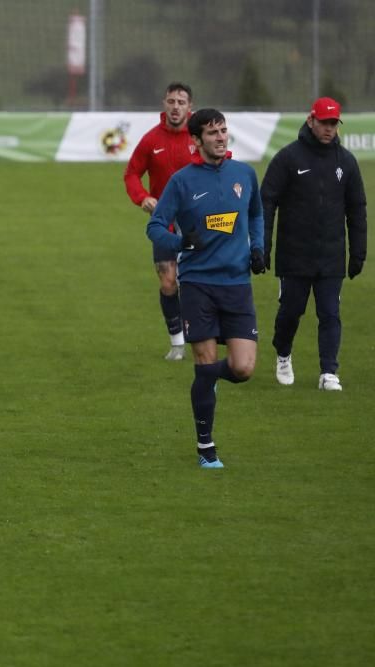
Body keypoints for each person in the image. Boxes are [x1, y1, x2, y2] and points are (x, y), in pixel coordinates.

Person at [146, 108, 266, 468]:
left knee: (243, 369)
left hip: (237, 285)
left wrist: (258, 247)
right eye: (212, 133)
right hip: (198, 285)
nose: (220, 137)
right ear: (196, 141)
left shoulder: (244, 174)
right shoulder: (182, 182)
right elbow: (155, 227)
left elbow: (257, 213)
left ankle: (205, 379)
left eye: (223, 131)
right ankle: (205, 448)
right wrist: (181, 242)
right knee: (205, 359)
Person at [261, 97, 367, 391]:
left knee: (330, 313)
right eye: (324, 122)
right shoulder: (288, 158)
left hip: (331, 255)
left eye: (334, 123)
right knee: (291, 312)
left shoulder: (346, 162)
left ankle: (328, 372)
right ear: (311, 121)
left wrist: (358, 252)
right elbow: (266, 202)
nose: (329, 128)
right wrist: (263, 246)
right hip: (294, 256)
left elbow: (357, 208)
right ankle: (283, 353)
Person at [124, 82, 197, 361]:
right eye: (171, 101)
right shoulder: (151, 140)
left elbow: (221, 165)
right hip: (164, 224)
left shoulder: (199, 136)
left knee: (198, 282)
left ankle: (207, 335)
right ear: (164, 105)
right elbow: (131, 174)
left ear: (190, 107)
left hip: (196, 223)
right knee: (168, 282)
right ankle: (177, 343)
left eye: (181, 102)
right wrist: (142, 197)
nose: (175, 106)